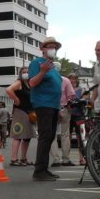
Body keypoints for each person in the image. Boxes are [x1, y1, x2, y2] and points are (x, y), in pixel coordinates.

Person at [27, 37, 63, 181]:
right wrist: (42, 72)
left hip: (53, 106)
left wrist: (59, 108)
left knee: (50, 136)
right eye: (50, 46)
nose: (53, 49)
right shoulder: (37, 63)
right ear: (42, 48)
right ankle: (39, 171)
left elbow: (56, 87)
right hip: (43, 104)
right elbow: (32, 83)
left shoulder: (53, 67)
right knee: (45, 135)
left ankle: (44, 168)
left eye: (55, 47)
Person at [5, 71, 34, 165]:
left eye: (28, 72)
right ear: (20, 74)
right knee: (18, 135)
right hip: (20, 112)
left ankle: (23, 158)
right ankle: (14, 159)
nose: (26, 73)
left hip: (29, 112)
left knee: (27, 136)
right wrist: (16, 99)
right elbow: (9, 90)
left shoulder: (28, 83)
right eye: (24, 72)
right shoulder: (19, 82)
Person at [51, 73, 77, 167]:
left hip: (51, 109)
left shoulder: (48, 79)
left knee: (52, 135)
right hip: (64, 108)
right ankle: (65, 159)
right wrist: (69, 109)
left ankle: (55, 159)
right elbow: (70, 97)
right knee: (65, 134)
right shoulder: (65, 80)